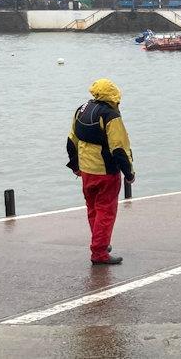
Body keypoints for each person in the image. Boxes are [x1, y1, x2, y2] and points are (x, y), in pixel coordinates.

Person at [66, 79, 134, 265]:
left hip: (87, 171)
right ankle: (99, 252)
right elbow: (119, 148)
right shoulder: (111, 115)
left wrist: (75, 166)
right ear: (114, 96)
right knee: (106, 211)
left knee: (93, 208)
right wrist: (129, 173)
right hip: (106, 172)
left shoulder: (81, 109)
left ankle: (100, 242)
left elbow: (72, 141)